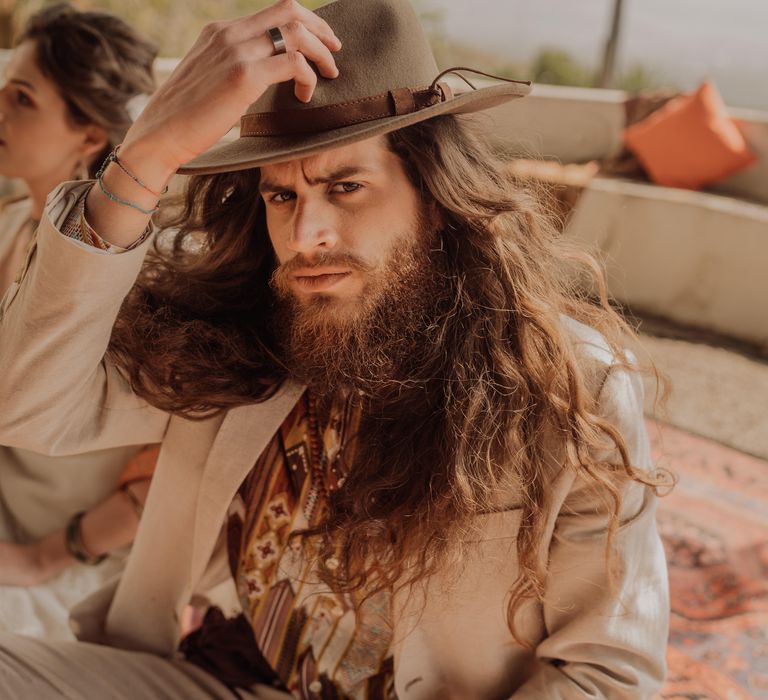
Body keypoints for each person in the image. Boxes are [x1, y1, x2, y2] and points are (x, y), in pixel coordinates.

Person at [0, 0, 671, 697]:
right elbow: (28, 408)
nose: (305, 234)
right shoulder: (242, 330)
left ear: (435, 198)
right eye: (281, 196)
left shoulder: (571, 387)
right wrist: (146, 155)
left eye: (345, 187)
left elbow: (604, 674)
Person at [0, 3, 160, 639]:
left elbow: (171, 475)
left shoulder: (140, 273)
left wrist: (42, 558)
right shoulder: (11, 224)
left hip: (66, 564)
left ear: (90, 135)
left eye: (22, 98)